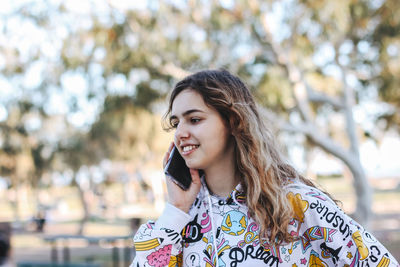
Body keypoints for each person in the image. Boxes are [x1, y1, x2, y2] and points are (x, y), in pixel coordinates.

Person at [131, 69, 399, 266]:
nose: (180, 133)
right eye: (176, 123)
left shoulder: (297, 203)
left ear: (233, 122)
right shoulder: (182, 219)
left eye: (195, 119)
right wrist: (176, 210)